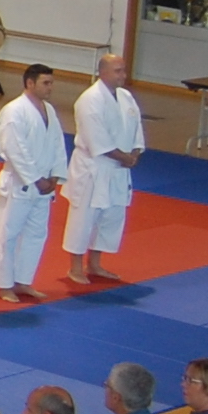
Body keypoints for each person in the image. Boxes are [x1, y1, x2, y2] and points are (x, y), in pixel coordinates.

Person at [0, 64, 65, 305]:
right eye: (45, 83)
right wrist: (36, 179)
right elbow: (14, 149)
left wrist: (55, 176)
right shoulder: (13, 111)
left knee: (36, 234)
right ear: (30, 83)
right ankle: (4, 284)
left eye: (51, 83)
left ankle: (23, 280)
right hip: (19, 183)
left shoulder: (49, 110)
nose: (50, 87)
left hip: (44, 185)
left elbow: (58, 144)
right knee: (8, 234)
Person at [64, 54, 143, 285]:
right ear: (102, 72)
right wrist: (124, 157)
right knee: (84, 217)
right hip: (94, 166)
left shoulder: (126, 97)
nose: (123, 75)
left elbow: (136, 130)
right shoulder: (89, 100)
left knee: (110, 216)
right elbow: (96, 138)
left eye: (123, 70)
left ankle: (95, 263)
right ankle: (75, 267)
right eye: (118, 71)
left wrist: (135, 153)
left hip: (118, 167)